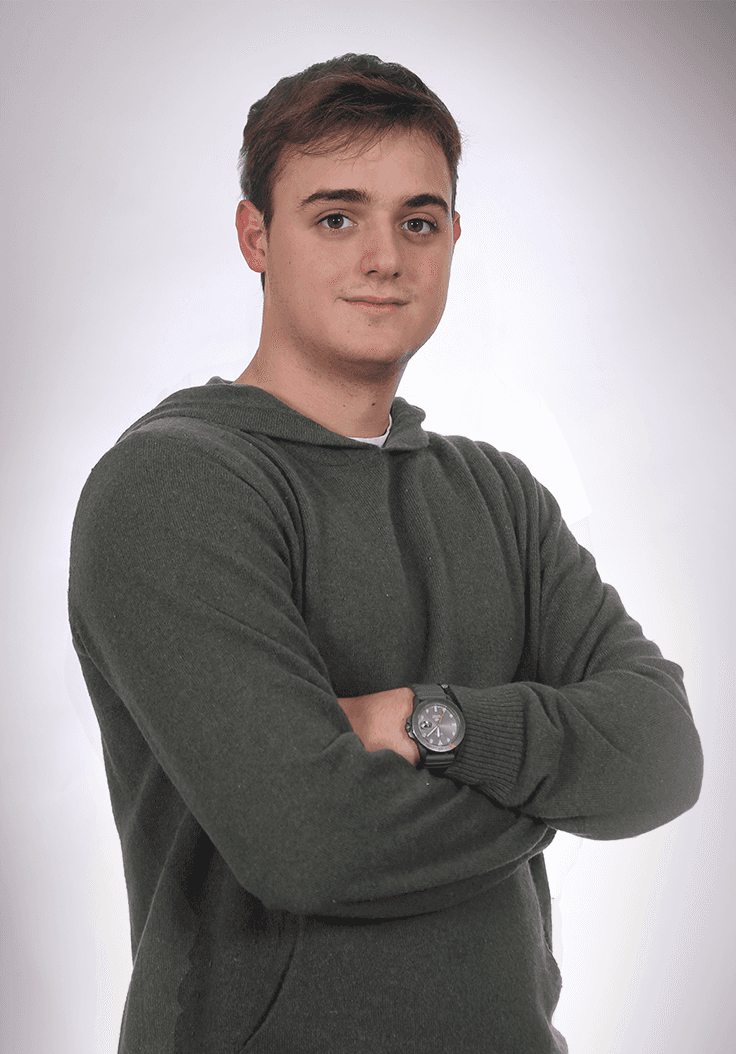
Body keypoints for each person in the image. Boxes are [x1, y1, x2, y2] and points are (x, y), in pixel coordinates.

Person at [68, 54, 703, 1053]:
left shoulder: (497, 494)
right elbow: (308, 843)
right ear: (255, 237)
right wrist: (557, 792)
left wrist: (429, 721)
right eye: (335, 218)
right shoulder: (173, 486)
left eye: (418, 222)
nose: (383, 258)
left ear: (452, 239)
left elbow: (662, 753)